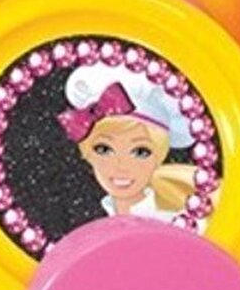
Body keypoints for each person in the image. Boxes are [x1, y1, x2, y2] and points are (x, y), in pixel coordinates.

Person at [58, 63, 197, 221]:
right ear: (88, 154)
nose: (121, 165)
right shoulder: (95, 226)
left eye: (140, 152)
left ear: (159, 156)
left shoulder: (177, 223)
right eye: (104, 149)